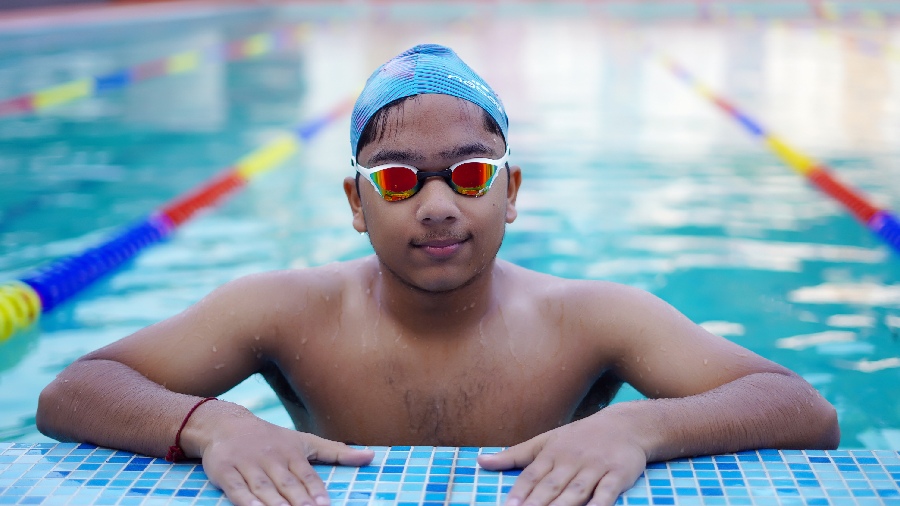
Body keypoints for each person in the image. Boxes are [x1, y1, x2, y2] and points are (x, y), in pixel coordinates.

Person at [36, 44, 839, 506]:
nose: (435, 205)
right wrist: (213, 426)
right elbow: (74, 390)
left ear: (510, 191)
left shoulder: (591, 317)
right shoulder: (285, 309)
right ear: (356, 202)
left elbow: (800, 407)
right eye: (395, 179)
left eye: (468, 173)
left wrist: (639, 427)